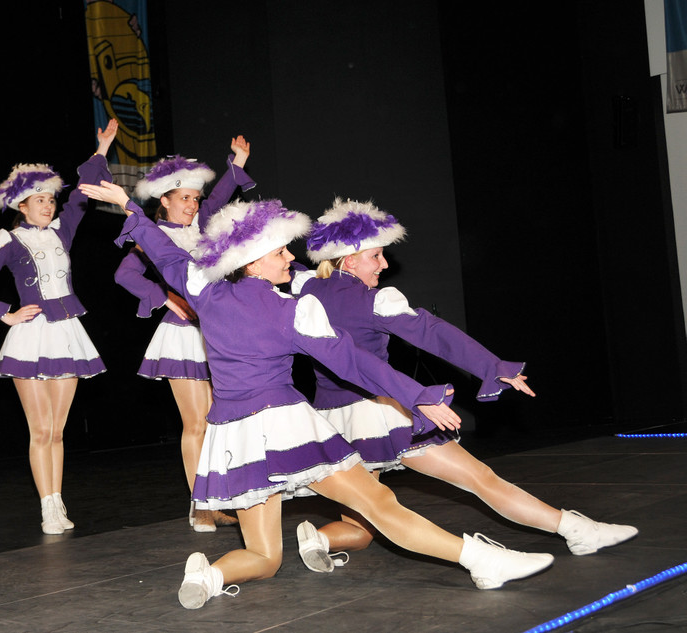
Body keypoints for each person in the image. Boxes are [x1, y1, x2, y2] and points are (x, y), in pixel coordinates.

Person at [78, 181, 555, 609]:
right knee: (380, 504)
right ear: (253, 260)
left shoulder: (206, 291)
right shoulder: (293, 311)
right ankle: (481, 560)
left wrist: (129, 208)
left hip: (234, 437)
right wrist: (417, 396)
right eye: (281, 252)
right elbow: (355, 363)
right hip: (285, 427)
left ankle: (211, 573)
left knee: (264, 556)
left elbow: (164, 254)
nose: (290, 258)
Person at [290, 198, 638, 571]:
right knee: (479, 478)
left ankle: (319, 538)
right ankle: (577, 531)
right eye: (376, 256)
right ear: (349, 260)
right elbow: (434, 333)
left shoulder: (304, 290)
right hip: (380, 413)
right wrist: (492, 366)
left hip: (333, 422)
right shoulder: (371, 301)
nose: (384, 264)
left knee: (365, 521)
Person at [0, 121, 118, 535]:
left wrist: (102, 150)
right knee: (41, 428)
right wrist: (4, 313)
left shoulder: (62, 231)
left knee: (58, 431)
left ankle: (57, 500)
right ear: (22, 205)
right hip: (31, 337)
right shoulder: (8, 239)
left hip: (67, 333)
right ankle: (47, 505)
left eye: (51, 199)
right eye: (40, 200)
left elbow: (81, 196)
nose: (48, 206)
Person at [114, 138, 253, 532]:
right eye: (185, 199)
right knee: (196, 423)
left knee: (217, 421)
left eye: (195, 198)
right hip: (182, 335)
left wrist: (239, 161)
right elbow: (124, 274)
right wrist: (166, 298)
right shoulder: (154, 234)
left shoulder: (201, 226)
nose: (193, 205)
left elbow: (220, 195)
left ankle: (217, 497)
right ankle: (199, 505)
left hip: (215, 332)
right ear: (165, 200)